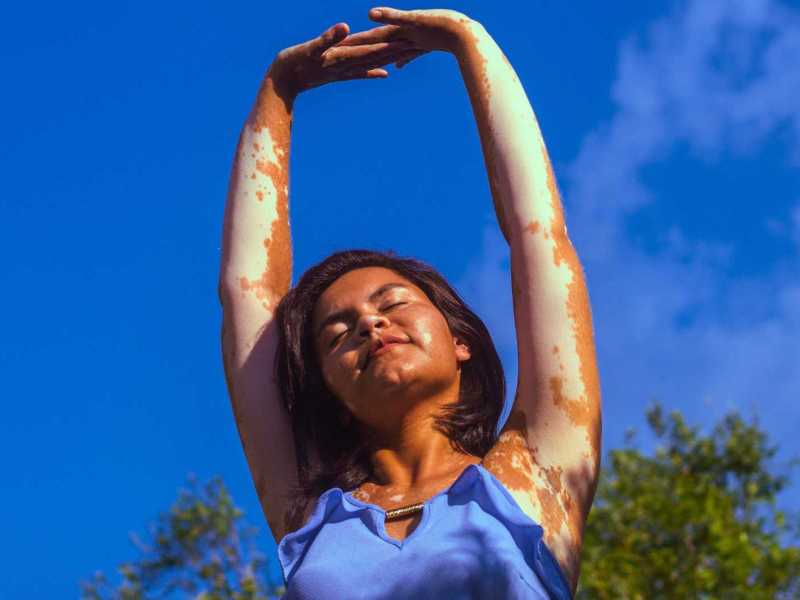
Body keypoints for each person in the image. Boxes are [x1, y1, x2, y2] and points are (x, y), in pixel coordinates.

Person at [218, 7, 601, 599]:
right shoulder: (310, 514)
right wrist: (277, 90)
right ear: (332, 393)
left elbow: (537, 235)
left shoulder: (533, 475)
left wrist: (468, 41)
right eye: (337, 332)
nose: (369, 323)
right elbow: (249, 295)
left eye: (392, 303)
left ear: (461, 342)